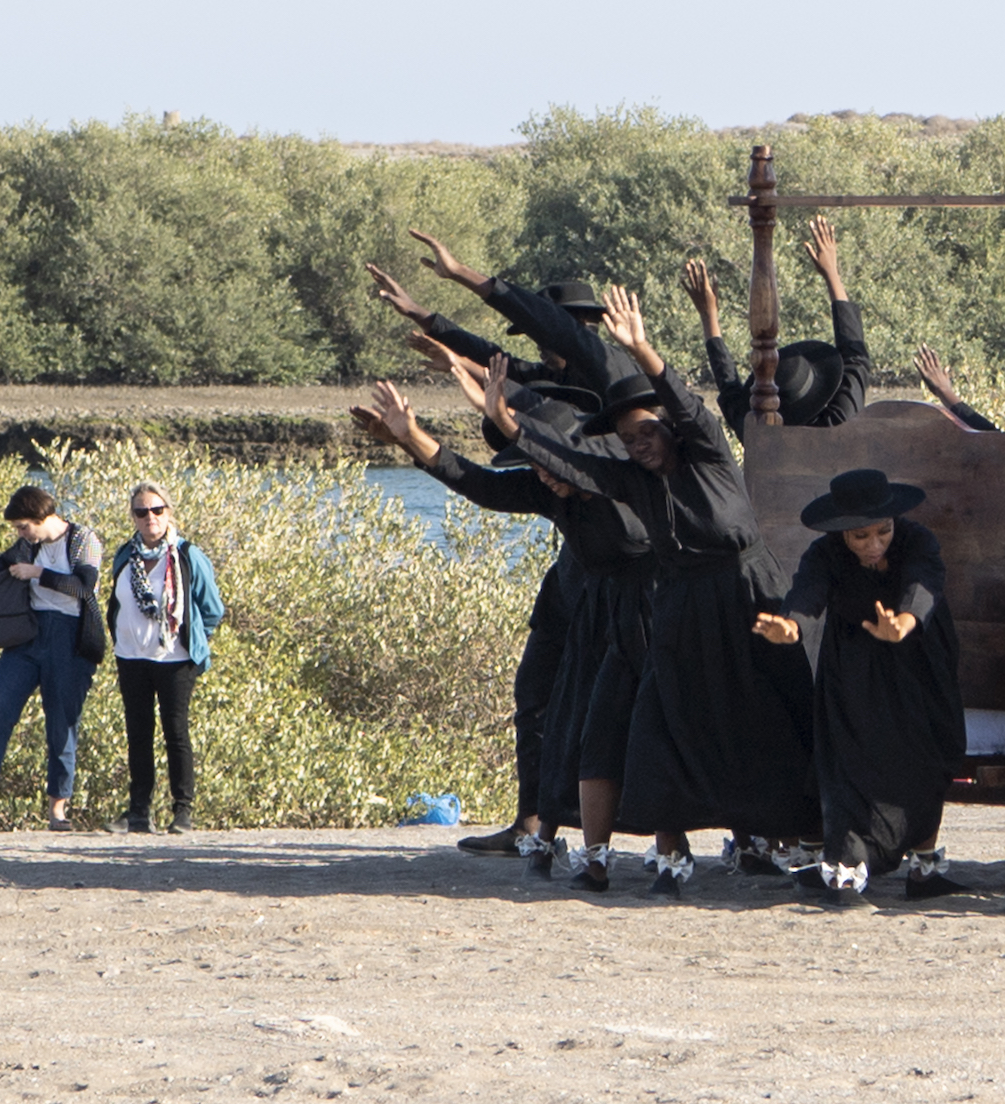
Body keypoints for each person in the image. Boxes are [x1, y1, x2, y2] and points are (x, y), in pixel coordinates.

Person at [508, 285, 818, 897]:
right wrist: (505, 421)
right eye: (628, 440)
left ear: (669, 428)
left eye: (648, 433)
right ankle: (671, 858)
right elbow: (575, 467)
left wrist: (642, 348)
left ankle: (805, 837)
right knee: (658, 723)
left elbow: (687, 403)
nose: (640, 446)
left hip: (747, 594)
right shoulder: (635, 479)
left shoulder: (706, 452)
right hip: (680, 607)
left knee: (773, 716)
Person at [369, 241, 633, 858]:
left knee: (615, 702)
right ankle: (532, 823)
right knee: (535, 689)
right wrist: (429, 330)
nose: (548, 347)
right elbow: (493, 373)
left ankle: (630, 829)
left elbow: (504, 369)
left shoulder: (614, 385)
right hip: (577, 564)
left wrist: (462, 276)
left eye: (563, 332)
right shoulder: (543, 391)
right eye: (543, 338)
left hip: (626, 572)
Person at [751, 470, 968, 908]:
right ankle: (846, 876)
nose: (873, 544)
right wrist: (791, 625)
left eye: (882, 531)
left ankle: (924, 869)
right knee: (850, 764)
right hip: (854, 669)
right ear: (841, 533)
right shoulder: (825, 554)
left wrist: (904, 623)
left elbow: (923, 583)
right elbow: (808, 591)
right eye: (860, 536)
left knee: (929, 757)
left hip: (920, 660)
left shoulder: (918, 540)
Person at [0, 488, 106, 833]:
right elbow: (1, 567)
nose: (19, 533)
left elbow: (84, 586)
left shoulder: (83, 539)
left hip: (70, 637)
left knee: (62, 723)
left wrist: (37, 574)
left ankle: (58, 810)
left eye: (22, 526)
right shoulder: (26, 545)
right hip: (27, 634)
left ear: (41, 518)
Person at [100, 482, 226, 835]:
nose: (150, 517)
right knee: (138, 733)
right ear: (133, 517)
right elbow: (116, 602)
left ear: (168, 512)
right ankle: (138, 811)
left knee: (176, 731)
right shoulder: (126, 555)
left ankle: (182, 810)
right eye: (141, 511)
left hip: (176, 660)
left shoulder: (187, 555)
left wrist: (194, 640)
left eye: (156, 510)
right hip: (131, 657)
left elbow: (212, 609)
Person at [678, 220, 872, 437]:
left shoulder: (759, 435)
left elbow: (728, 387)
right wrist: (832, 274)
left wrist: (708, 315)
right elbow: (856, 358)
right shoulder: (838, 422)